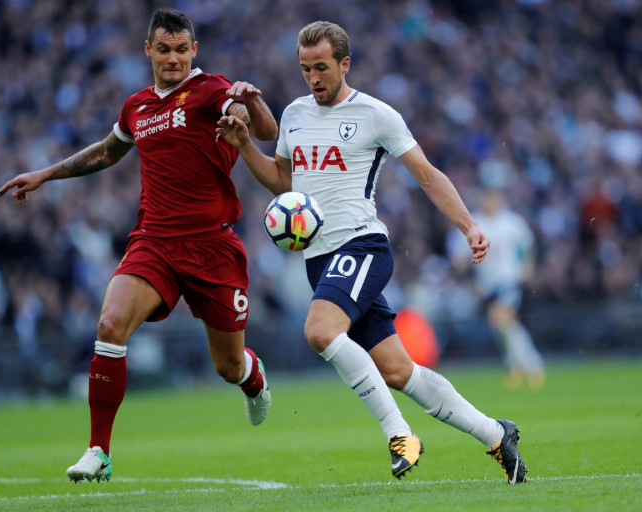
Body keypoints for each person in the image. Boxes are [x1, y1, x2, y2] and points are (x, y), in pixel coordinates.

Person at [216, 21, 527, 483]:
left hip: (362, 244)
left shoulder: (376, 114)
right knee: (399, 372)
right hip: (320, 259)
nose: (314, 78)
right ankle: (496, 435)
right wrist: (243, 144)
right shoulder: (295, 114)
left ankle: (399, 433)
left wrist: (469, 226)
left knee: (320, 332)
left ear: (344, 64)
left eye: (321, 67)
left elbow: (426, 174)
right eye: (305, 69)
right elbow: (284, 180)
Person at [0, 8, 278, 483]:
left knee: (227, 365)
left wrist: (249, 106)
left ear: (194, 51)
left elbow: (263, 131)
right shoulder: (137, 106)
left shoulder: (211, 89)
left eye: (181, 50)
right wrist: (47, 173)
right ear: (148, 50)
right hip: (155, 243)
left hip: (213, 247)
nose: (173, 58)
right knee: (109, 325)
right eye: (164, 50)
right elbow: (108, 151)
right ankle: (99, 452)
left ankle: (252, 377)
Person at [449, 180, 546, 391]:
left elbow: (527, 246)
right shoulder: (473, 222)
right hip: (487, 285)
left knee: (500, 319)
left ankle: (532, 366)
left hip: (509, 279)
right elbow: (459, 256)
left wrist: (527, 267)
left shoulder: (512, 222)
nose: (489, 201)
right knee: (505, 326)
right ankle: (518, 367)